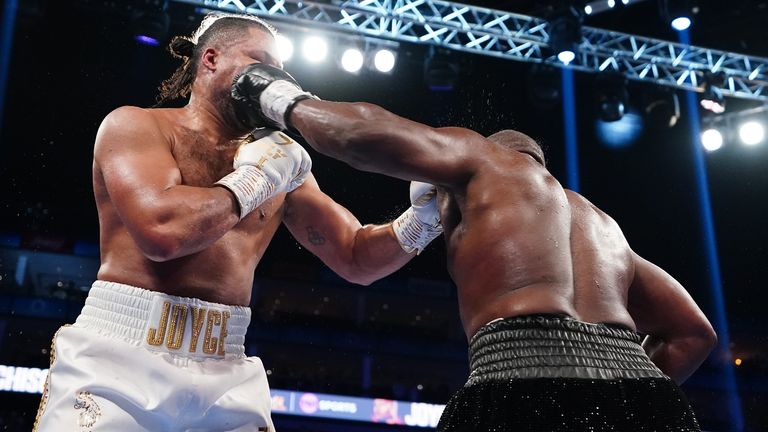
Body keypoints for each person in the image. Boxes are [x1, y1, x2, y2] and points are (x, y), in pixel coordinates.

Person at [226, 63, 719, 431]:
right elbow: (693, 335)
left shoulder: (486, 163)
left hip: (522, 382)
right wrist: (618, 393)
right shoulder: (605, 228)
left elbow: (360, 135)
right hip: (647, 396)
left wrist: (277, 96)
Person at [33, 13, 443, 432]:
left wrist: (424, 219)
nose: (275, 80)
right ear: (210, 59)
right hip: (120, 355)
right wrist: (256, 180)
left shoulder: (282, 165)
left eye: (281, 71)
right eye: (260, 62)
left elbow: (356, 258)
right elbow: (163, 233)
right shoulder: (137, 126)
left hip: (225, 371)